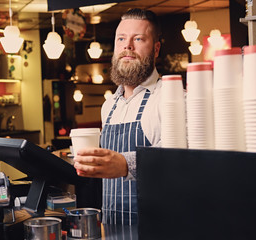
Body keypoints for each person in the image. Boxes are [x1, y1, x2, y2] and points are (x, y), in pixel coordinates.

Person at [73, 8, 162, 225]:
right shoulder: (109, 105)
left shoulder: (170, 98)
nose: (127, 46)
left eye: (138, 39)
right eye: (121, 38)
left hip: (156, 227)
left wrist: (126, 164)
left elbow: (178, 156)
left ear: (156, 49)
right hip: (112, 225)